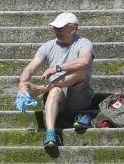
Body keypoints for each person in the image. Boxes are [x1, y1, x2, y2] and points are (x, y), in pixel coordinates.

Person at [17, 12, 95, 148]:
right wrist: (22, 84)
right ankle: (50, 132)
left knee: (80, 70)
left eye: (61, 28)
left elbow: (84, 62)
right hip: (58, 98)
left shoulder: (84, 43)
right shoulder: (48, 46)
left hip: (78, 96)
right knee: (55, 91)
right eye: (55, 28)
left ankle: (43, 88)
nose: (56, 31)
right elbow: (30, 68)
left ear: (74, 29)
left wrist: (57, 68)